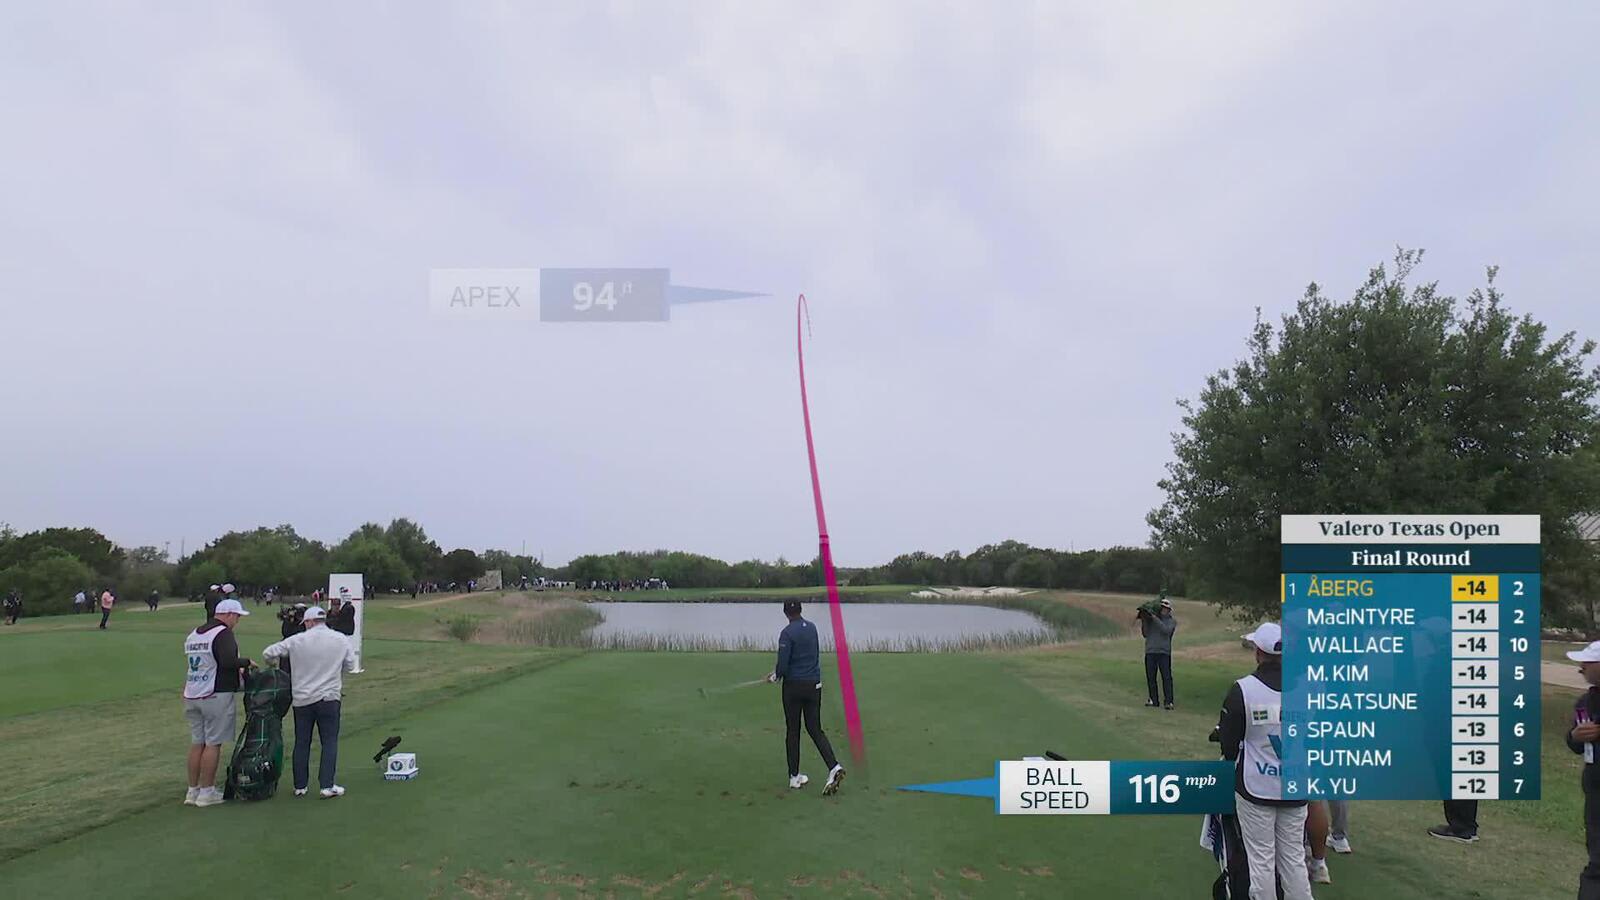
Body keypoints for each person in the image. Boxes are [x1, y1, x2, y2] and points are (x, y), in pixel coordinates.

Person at [1217, 622, 1313, 900]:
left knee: (1261, 861)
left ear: (1258, 652)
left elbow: (1229, 743)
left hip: (1255, 787)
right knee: (1293, 859)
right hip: (1296, 785)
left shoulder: (1243, 689)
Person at [261, 605, 356, 798]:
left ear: (310, 622)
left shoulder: (297, 640)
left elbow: (268, 653)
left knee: (302, 741)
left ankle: (300, 786)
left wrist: (273, 666)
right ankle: (327, 785)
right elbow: (351, 665)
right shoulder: (340, 639)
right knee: (329, 741)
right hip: (329, 697)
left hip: (302, 699)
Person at [767, 600, 846, 795]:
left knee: (793, 730)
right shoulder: (812, 628)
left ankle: (794, 777)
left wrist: (775, 676)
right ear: (800, 611)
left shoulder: (787, 633)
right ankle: (833, 766)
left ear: (786, 613)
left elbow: (783, 666)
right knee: (814, 728)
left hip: (794, 687)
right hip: (814, 685)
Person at [182, 598, 253, 807]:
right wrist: (246, 662)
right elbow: (228, 661)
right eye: (237, 616)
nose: (237, 621)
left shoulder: (194, 633)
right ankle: (207, 792)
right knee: (213, 743)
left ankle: (192, 791)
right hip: (215, 693)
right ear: (229, 614)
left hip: (192, 693)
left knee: (198, 742)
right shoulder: (223, 633)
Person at [1566, 641, 1600, 898]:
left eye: (1586, 663)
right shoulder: (1586, 701)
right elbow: (1575, 743)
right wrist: (1576, 737)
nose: (1581, 668)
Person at [1139, 597, 1178, 709]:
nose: (1164, 610)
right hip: (1151, 651)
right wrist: (1144, 620)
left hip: (1164, 652)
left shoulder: (1172, 622)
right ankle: (1153, 699)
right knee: (1151, 677)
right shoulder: (1152, 620)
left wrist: (1154, 618)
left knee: (1166, 677)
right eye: (1162, 608)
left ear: (1169, 610)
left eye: (1166, 608)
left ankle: (1169, 701)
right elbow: (1145, 634)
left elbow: (1166, 631)